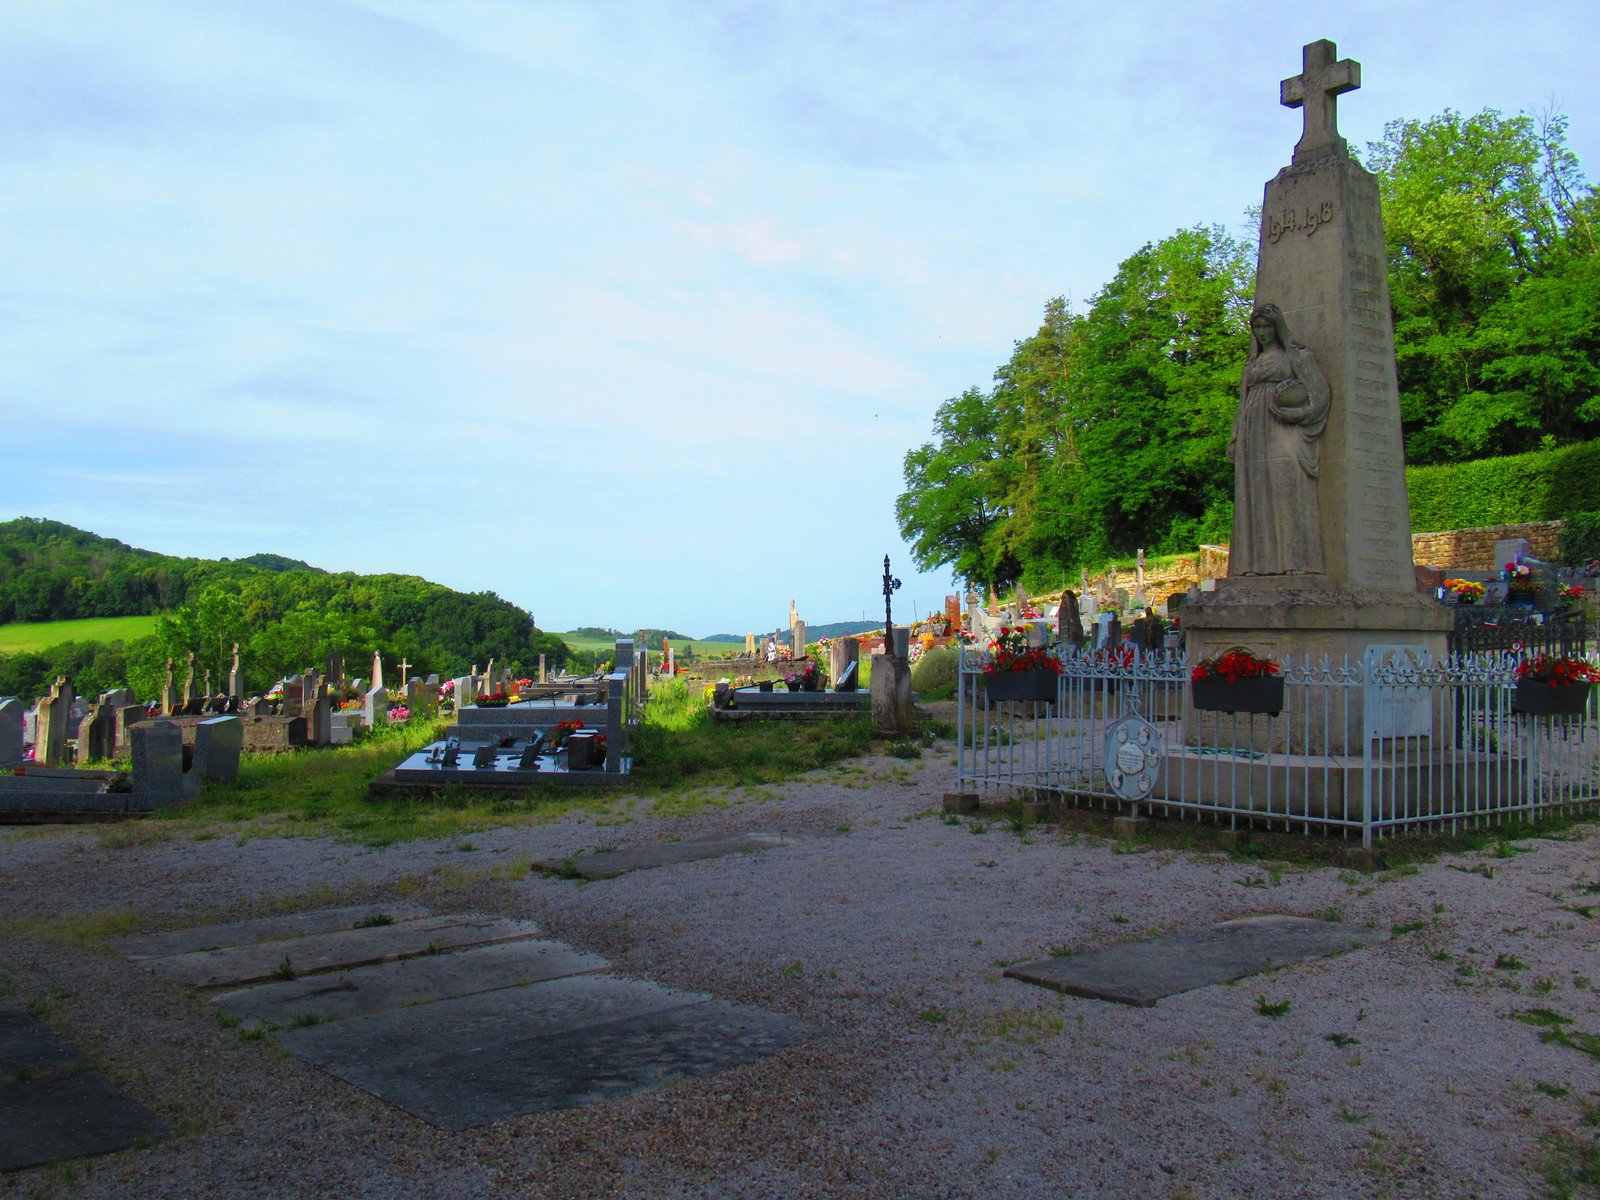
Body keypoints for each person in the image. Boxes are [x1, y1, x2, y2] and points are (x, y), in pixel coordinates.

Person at [1227, 303, 1331, 575]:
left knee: (1288, 490)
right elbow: (1242, 402)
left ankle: (1297, 562)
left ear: (1277, 327)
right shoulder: (1252, 363)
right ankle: (1256, 565)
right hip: (1252, 431)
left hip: (1281, 428)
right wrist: (1235, 437)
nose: (1261, 333)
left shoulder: (1296, 357)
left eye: (1266, 326)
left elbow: (1319, 395)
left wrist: (1297, 414)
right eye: (1257, 328)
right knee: (1255, 495)